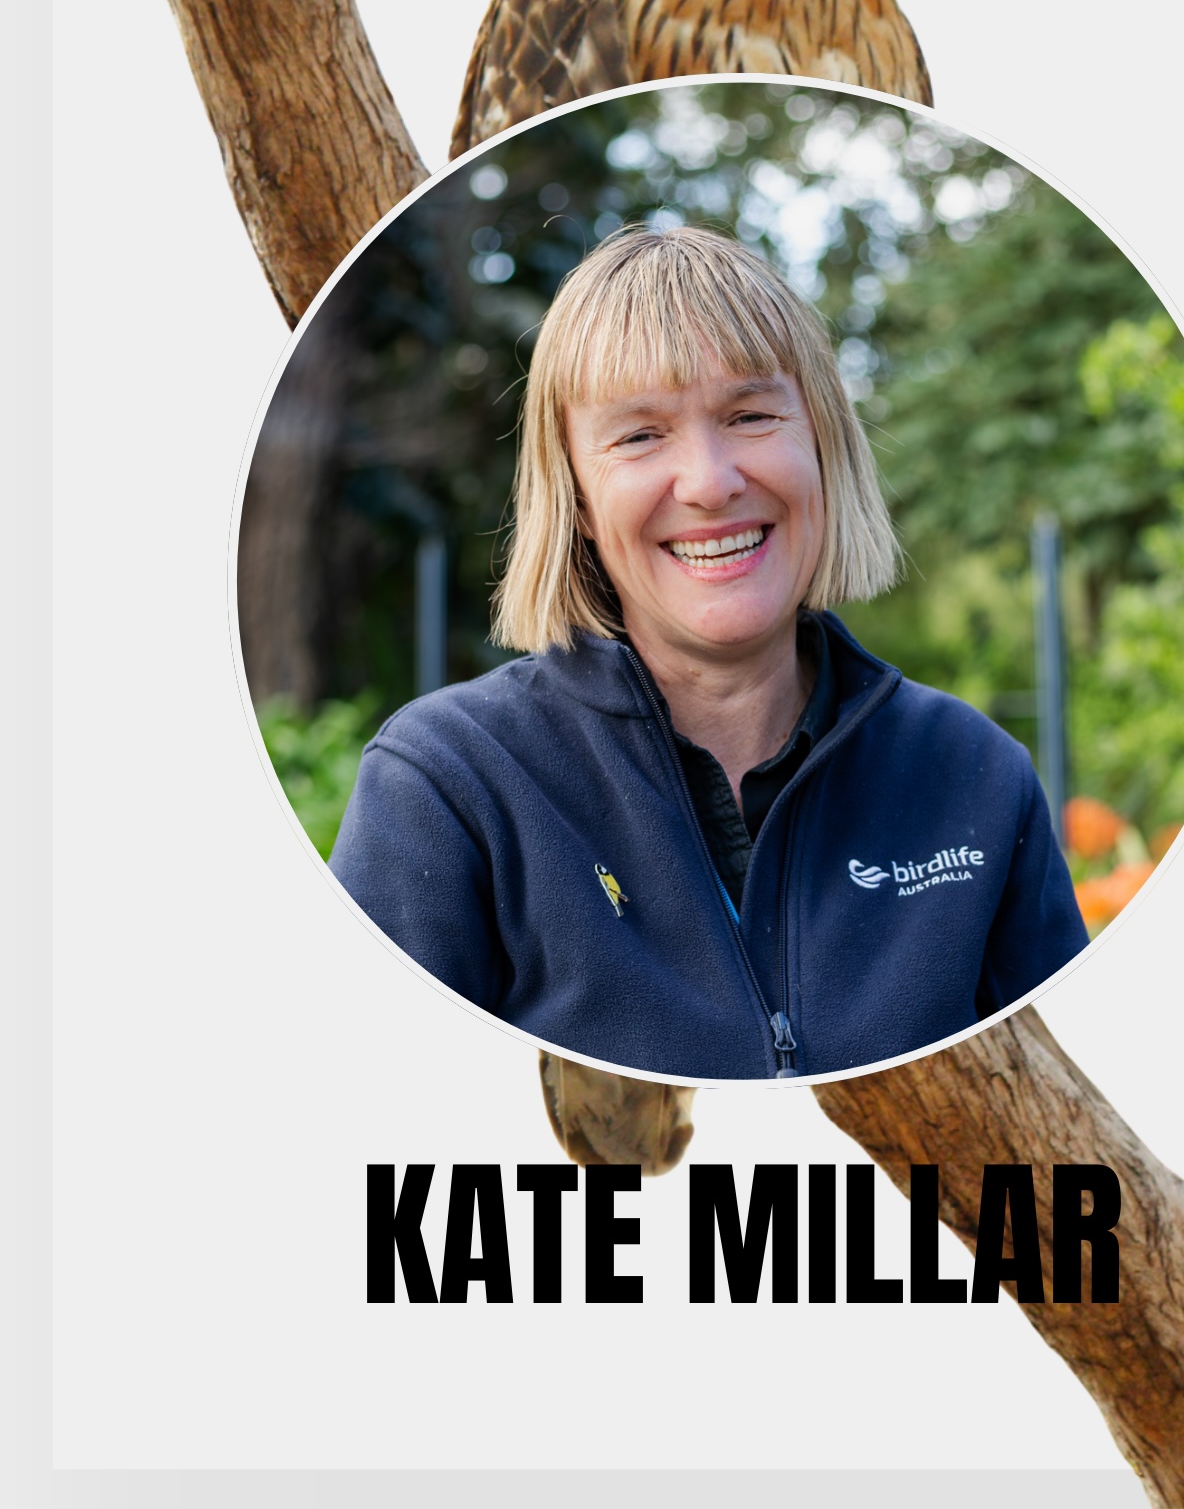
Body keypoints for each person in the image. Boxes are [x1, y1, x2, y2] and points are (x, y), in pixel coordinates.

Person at [330, 226, 1088, 1079]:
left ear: (823, 448)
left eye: (750, 416)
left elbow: (1073, 1135)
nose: (709, 481)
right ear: (576, 497)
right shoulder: (448, 788)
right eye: (639, 436)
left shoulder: (971, 776)